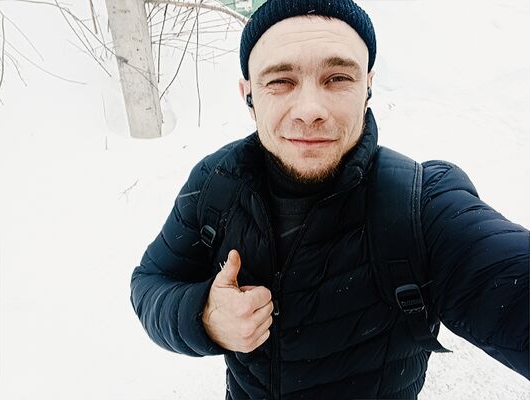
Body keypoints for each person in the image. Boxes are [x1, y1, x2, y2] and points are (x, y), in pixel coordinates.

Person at [130, 0, 529, 398]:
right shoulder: (216, 184)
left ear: (367, 87)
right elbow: (150, 283)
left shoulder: (420, 205)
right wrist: (204, 316)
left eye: (338, 78)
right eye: (280, 81)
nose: (310, 111)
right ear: (248, 94)